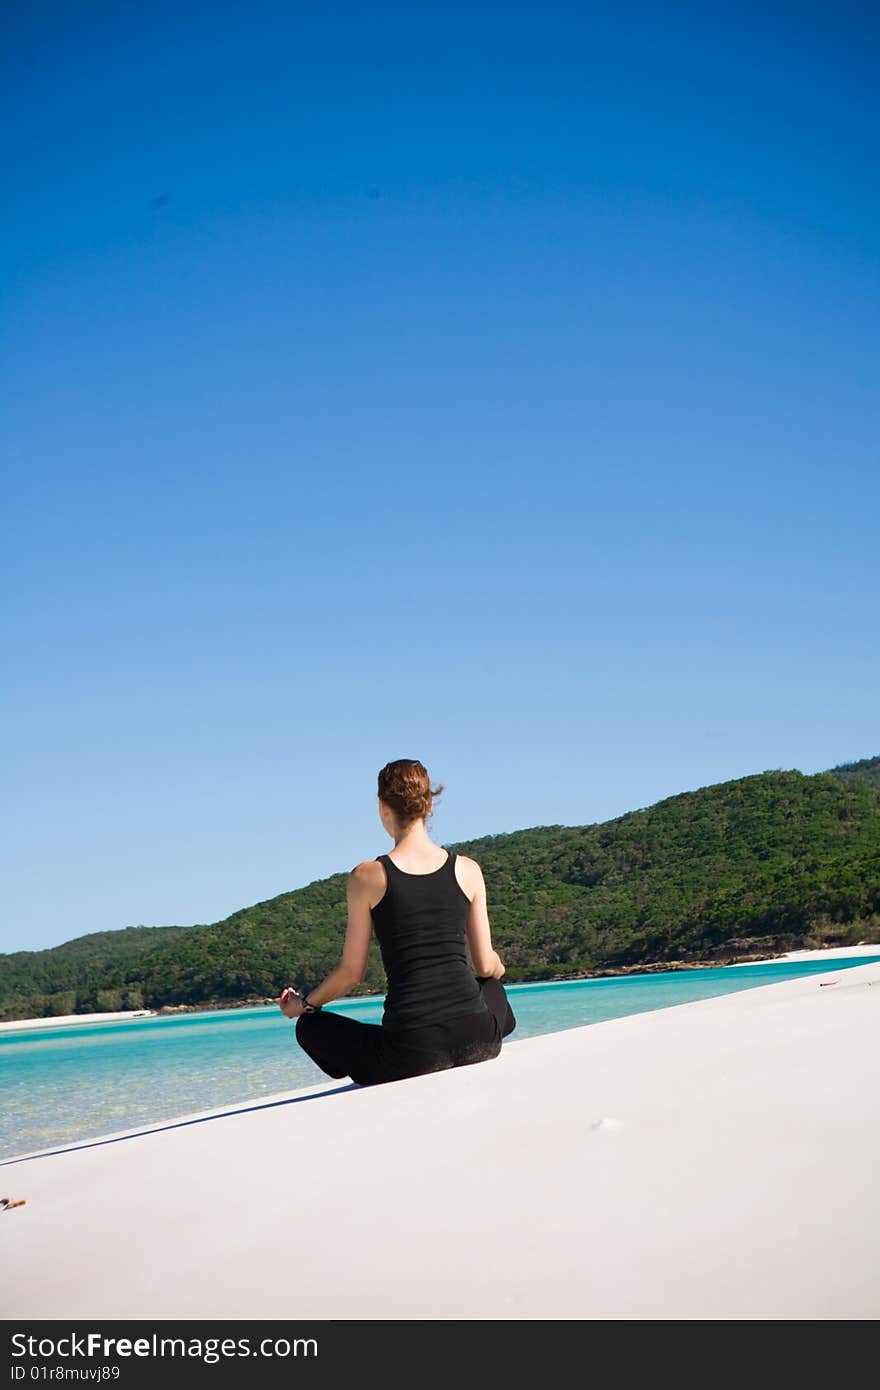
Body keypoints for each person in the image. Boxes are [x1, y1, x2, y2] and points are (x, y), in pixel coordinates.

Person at [280, 758, 516, 1086]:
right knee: (491, 987)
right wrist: (498, 969)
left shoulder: (367, 877)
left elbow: (351, 973)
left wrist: (303, 1005)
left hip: (414, 1052)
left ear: (382, 807)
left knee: (309, 1027)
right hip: (480, 1040)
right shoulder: (468, 869)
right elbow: (485, 964)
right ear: (429, 804)